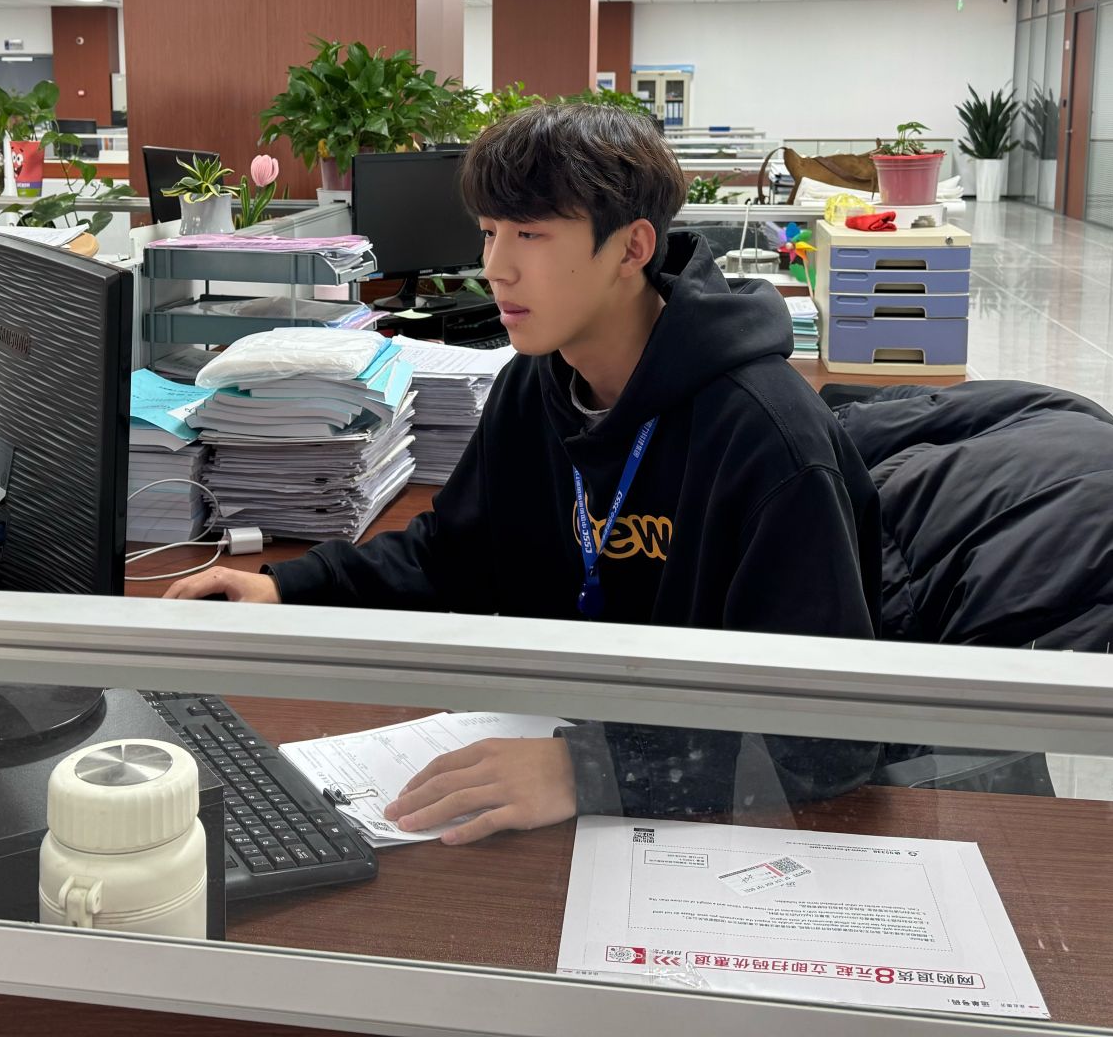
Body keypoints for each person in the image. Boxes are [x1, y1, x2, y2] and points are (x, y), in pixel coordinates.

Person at [166, 103, 882, 840]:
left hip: (686, 809)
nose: (495, 267)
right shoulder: (535, 382)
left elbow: (826, 741)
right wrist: (288, 586)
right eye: (490, 232)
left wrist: (589, 770)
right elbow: (457, 555)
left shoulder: (767, 438)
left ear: (632, 248)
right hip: (563, 737)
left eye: (531, 235)